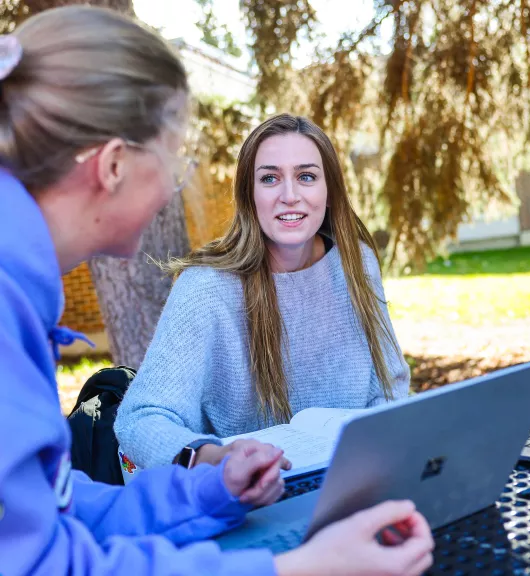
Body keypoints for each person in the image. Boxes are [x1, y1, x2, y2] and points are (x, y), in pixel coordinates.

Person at [0, 6, 435, 576]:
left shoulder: (21, 301)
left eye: (307, 176)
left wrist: (210, 492)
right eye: (173, 160)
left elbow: (62, 511)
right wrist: (300, 569)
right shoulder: (13, 311)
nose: (175, 187)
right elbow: (43, 564)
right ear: (111, 166)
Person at [115, 113, 411, 470]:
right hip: (246, 501)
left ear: (329, 190)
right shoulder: (207, 287)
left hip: (356, 480)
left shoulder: (357, 265)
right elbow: (140, 419)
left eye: (306, 176)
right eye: (270, 178)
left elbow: (390, 387)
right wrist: (210, 459)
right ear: (249, 196)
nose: (290, 195)